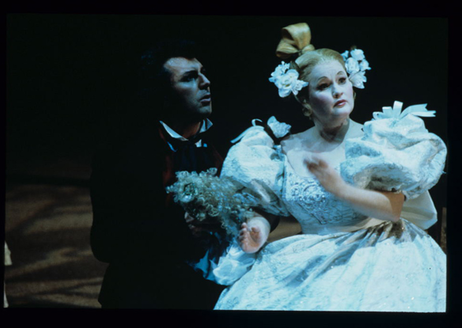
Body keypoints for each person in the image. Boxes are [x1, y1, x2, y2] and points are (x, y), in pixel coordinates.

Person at [207, 22, 447, 312]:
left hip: (375, 250)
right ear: (305, 99)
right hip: (303, 255)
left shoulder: (375, 139)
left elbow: (393, 209)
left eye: (342, 80)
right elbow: (269, 211)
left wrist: (340, 188)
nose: (337, 91)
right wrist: (257, 231)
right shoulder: (281, 148)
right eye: (323, 86)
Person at [89, 39, 228, 309]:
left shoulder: (229, 143)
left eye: (203, 73)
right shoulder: (123, 154)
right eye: (189, 78)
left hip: (218, 286)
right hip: (148, 290)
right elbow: (104, 244)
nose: (206, 82)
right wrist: (180, 228)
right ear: (163, 93)